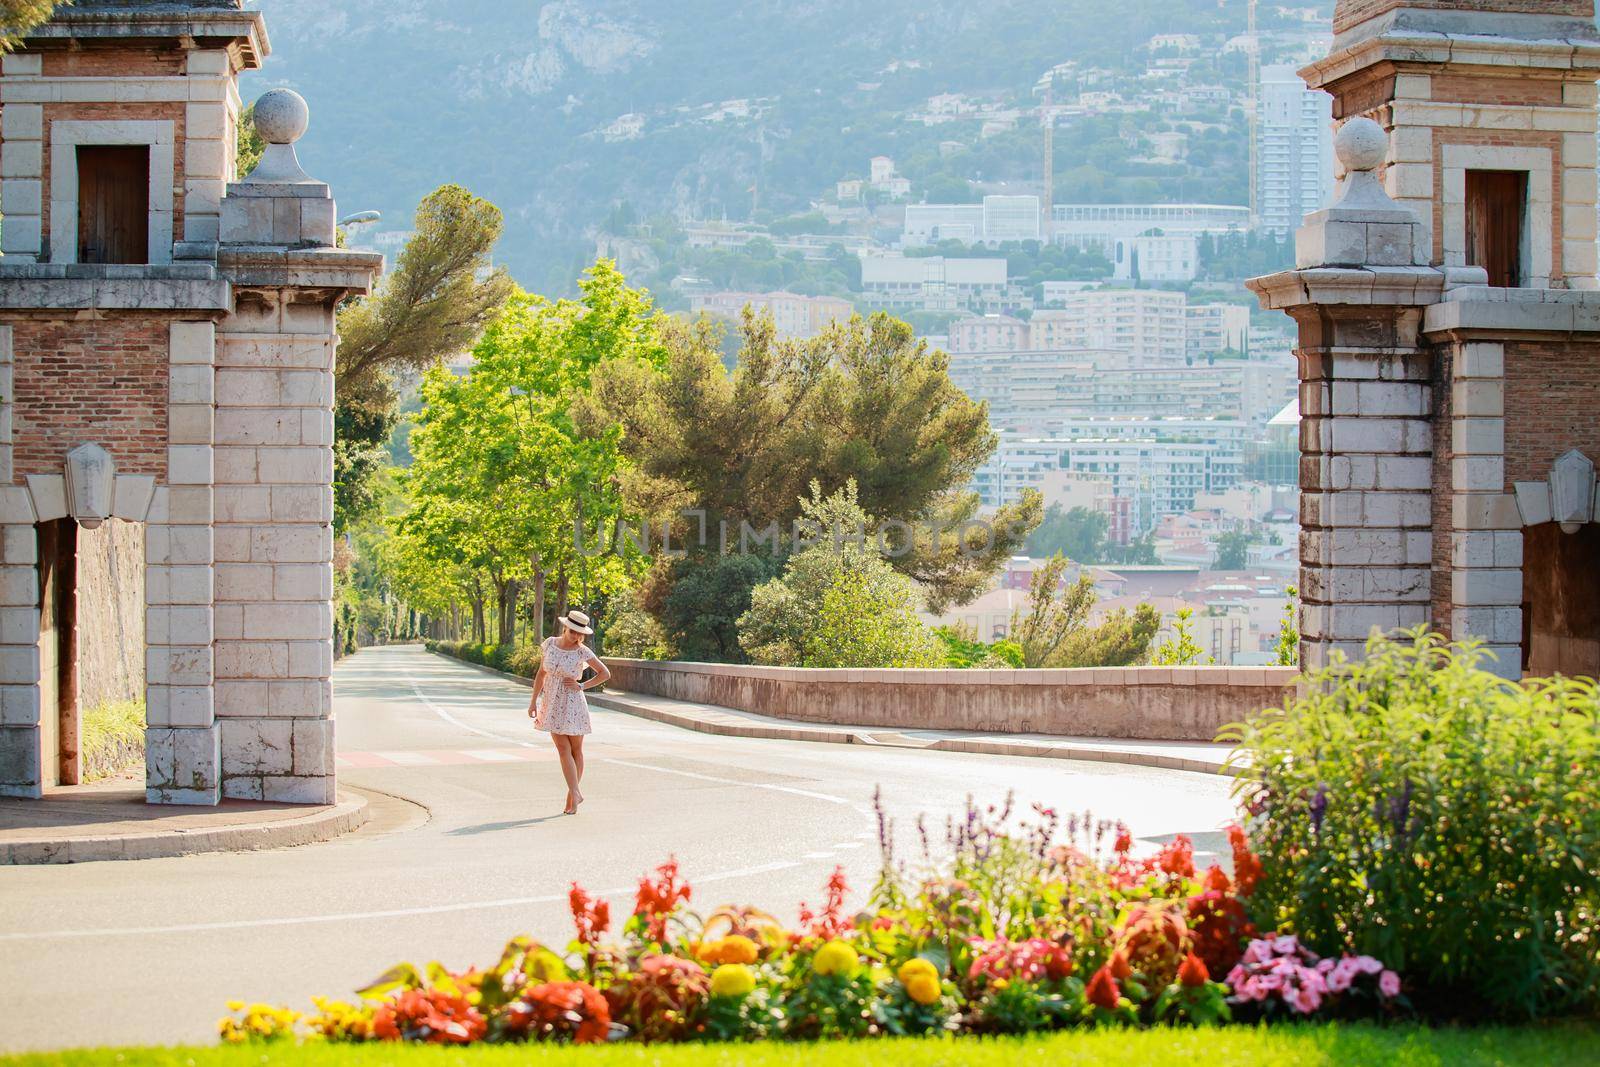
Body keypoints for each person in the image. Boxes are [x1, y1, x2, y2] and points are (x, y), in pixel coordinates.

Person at [528, 609, 611, 815]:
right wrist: (533, 702)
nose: (575, 636)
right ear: (565, 627)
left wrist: (582, 685)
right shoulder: (549, 644)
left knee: (576, 750)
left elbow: (605, 673)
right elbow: (541, 673)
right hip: (551, 702)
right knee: (562, 749)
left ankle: (572, 799)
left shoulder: (582, 651)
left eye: (579, 633)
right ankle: (576, 792)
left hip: (573, 702)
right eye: (572, 631)